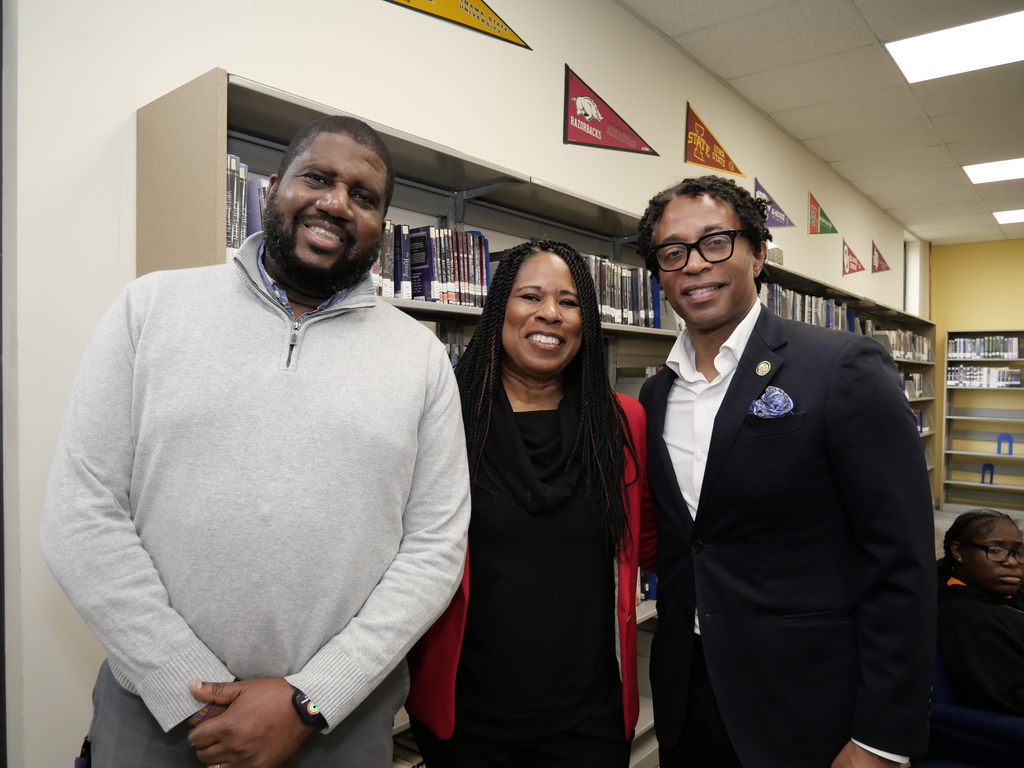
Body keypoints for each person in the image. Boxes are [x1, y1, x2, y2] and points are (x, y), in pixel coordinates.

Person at [39, 115, 471, 768]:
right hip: (157, 719)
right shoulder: (150, 308)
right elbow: (81, 511)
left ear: (381, 227)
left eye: (363, 195)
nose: (335, 202)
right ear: (273, 189)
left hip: (336, 726)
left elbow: (435, 549)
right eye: (318, 178)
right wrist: (188, 688)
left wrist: (310, 700)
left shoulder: (422, 359)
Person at [635, 175, 936, 768]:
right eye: (673, 252)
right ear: (660, 274)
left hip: (808, 702)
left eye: (715, 242)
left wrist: (883, 735)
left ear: (758, 253)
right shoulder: (654, 394)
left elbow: (901, 560)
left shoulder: (842, 366)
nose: (694, 265)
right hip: (688, 692)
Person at [404, 240, 657, 767]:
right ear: (500, 309)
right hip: (467, 719)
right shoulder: (444, 416)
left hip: (589, 718)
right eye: (531, 296)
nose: (550, 313)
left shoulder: (622, 423)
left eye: (569, 301)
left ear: (586, 321)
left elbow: (652, 539)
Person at [937, 509, 1024, 715]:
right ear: (958, 552)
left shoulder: (999, 591)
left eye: (1019, 552)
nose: (1011, 561)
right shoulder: (966, 619)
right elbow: (1011, 699)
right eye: (994, 550)